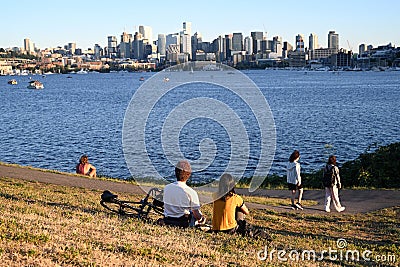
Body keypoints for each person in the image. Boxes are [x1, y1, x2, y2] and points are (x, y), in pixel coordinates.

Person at [162, 160, 205, 228]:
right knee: (195, 212)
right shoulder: (191, 192)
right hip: (182, 222)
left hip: (168, 219)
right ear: (189, 175)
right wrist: (201, 218)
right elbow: (196, 214)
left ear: (175, 173)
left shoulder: (167, 188)